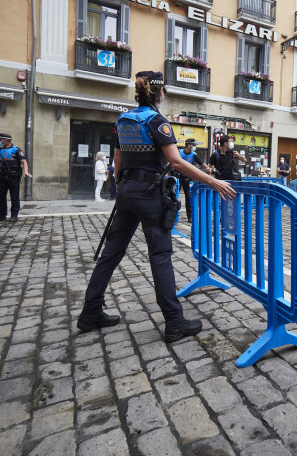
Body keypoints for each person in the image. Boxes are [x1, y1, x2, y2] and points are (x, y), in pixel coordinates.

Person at [77, 70, 237, 342]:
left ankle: (91, 311)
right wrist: (213, 181)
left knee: (110, 254)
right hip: (149, 192)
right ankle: (174, 322)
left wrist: (121, 186)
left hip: (127, 190)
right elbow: (175, 162)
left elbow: (118, 158)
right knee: (160, 256)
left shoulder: (124, 118)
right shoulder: (157, 121)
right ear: (159, 93)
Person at [0, 133, 32, 223]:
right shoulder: (0, 151)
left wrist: (26, 171)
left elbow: (24, 161)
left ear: (6, 140)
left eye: (0, 140)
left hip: (14, 177)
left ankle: (14, 215)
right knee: (0, 196)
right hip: (3, 176)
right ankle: (1, 215)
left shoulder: (16, 150)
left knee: (14, 196)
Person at [178, 138, 207, 221]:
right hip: (178, 177)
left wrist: (209, 169)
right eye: (193, 145)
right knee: (174, 195)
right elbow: (171, 162)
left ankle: (189, 216)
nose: (194, 147)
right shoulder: (179, 153)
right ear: (188, 145)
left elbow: (202, 163)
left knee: (188, 196)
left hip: (187, 178)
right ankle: (173, 215)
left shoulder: (194, 154)